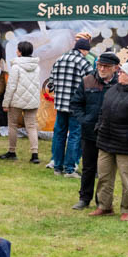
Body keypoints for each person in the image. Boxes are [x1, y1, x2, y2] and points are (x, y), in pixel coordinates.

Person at [91, 57, 128, 222]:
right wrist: (100, 127)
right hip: (106, 141)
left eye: (123, 72)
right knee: (104, 176)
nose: (119, 73)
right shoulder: (113, 89)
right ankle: (104, 206)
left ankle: (127, 210)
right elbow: (103, 111)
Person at [70, 51, 118, 211]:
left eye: (106, 66)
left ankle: (102, 201)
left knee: (106, 170)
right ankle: (84, 198)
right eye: (100, 65)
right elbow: (76, 103)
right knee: (88, 167)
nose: (102, 69)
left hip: (110, 133)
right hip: (89, 132)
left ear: (115, 68)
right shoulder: (87, 80)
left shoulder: (120, 83)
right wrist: (84, 120)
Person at [46, 37, 91, 178]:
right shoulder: (84, 62)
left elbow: (50, 84)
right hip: (76, 106)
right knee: (74, 135)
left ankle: (57, 167)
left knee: (59, 135)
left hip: (60, 104)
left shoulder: (60, 59)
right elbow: (91, 83)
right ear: (84, 50)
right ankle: (70, 169)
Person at [1, 40, 42, 164]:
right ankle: (35, 154)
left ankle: (12, 151)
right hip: (32, 100)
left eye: (17, 49)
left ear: (20, 52)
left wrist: (5, 102)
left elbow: (11, 86)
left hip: (16, 100)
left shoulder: (16, 67)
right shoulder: (37, 66)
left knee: (12, 125)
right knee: (31, 126)